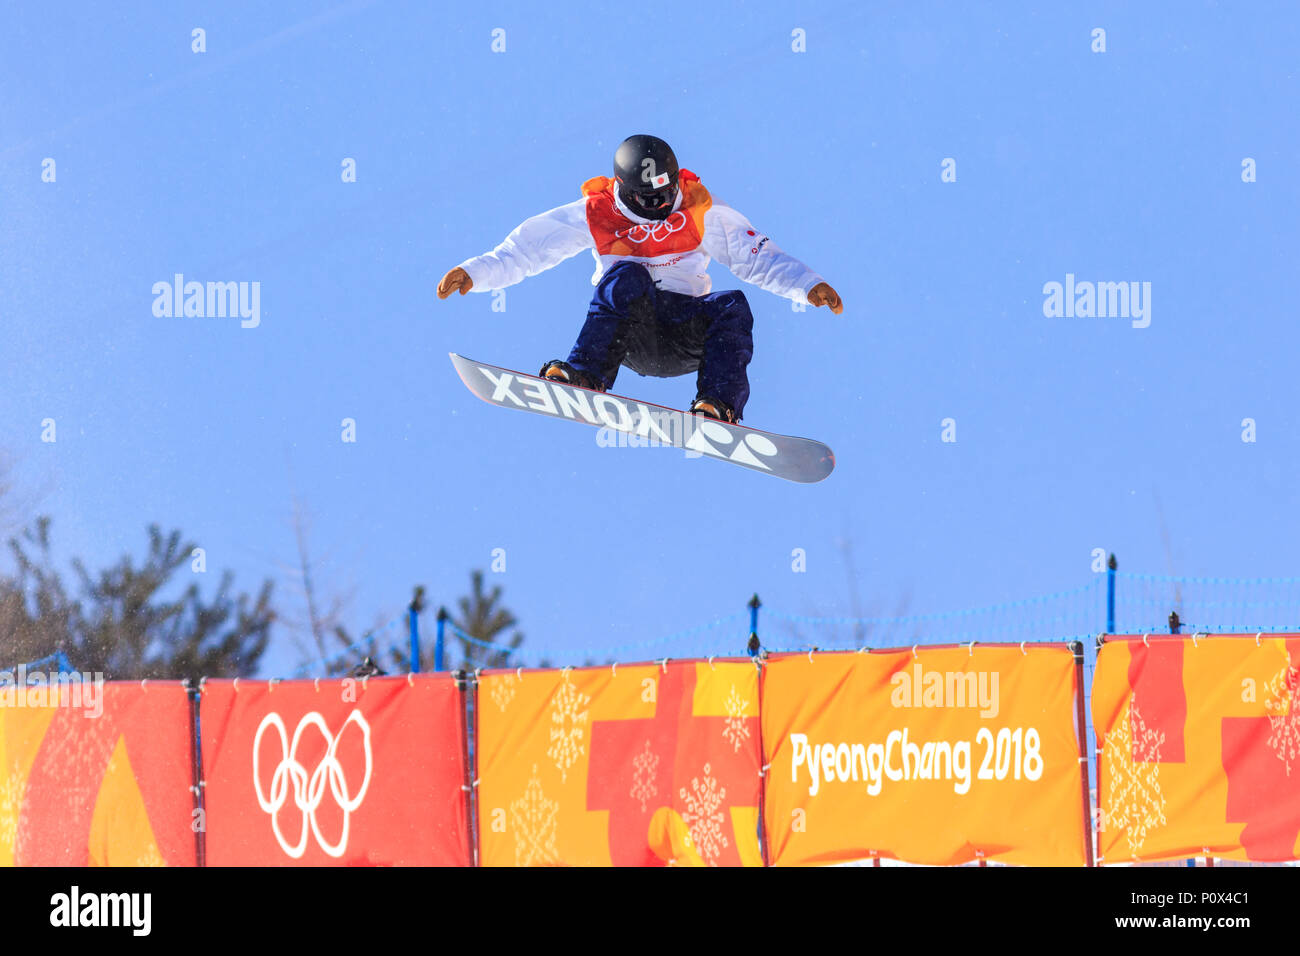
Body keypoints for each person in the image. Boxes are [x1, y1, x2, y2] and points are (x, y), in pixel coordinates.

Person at [438, 134, 842, 423]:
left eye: (665, 197)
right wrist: (477, 271)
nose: (659, 207)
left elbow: (755, 255)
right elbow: (530, 248)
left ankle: (719, 404)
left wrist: (806, 284)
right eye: (647, 201)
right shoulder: (596, 212)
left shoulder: (700, 209)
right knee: (626, 274)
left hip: (685, 333)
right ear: (624, 190)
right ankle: (586, 374)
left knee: (732, 304)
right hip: (628, 334)